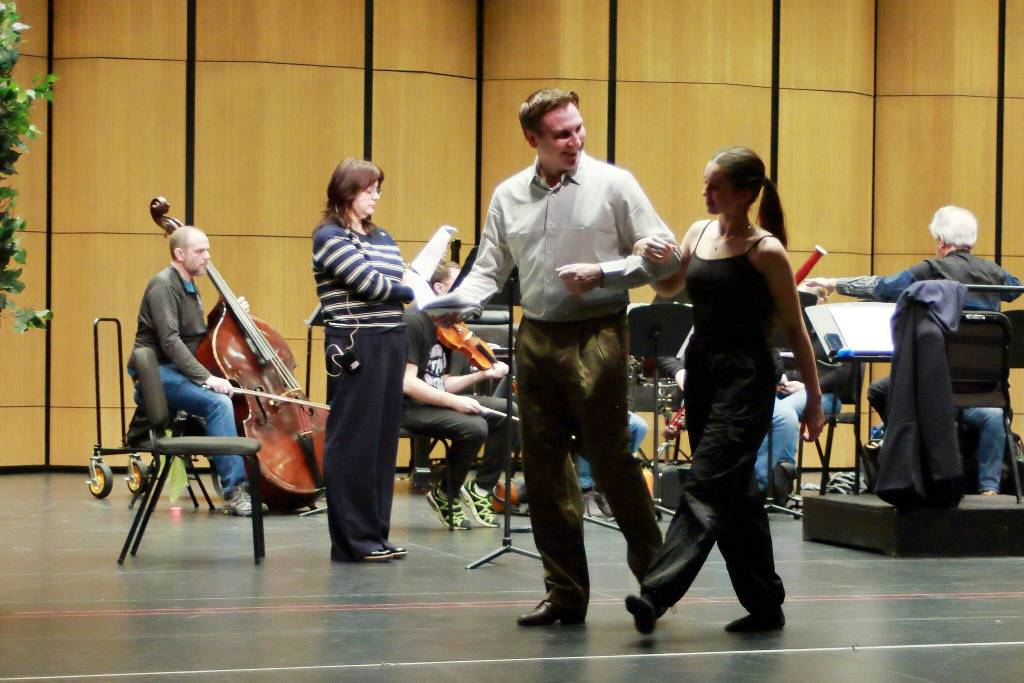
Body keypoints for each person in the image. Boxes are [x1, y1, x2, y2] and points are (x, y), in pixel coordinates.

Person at [445, 88, 676, 627]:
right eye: (562, 134)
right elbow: (490, 265)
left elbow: (661, 254)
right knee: (545, 472)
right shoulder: (507, 194)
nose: (576, 140)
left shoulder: (614, 185)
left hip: (599, 332)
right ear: (534, 140)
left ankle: (657, 583)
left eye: (578, 128)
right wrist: (461, 301)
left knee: (613, 463)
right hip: (538, 335)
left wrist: (606, 272)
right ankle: (566, 594)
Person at [621, 146, 825, 635]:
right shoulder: (698, 231)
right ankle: (764, 603)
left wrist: (814, 400)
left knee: (708, 482)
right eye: (705, 184)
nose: (705, 193)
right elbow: (669, 287)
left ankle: (657, 593)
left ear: (746, 193)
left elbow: (794, 330)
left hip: (747, 375)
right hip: (705, 372)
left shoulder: (766, 251)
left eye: (716, 186)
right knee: (736, 493)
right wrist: (650, 259)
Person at [806, 205, 1022, 495]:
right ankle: (989, 490)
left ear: (942, 242)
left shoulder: (929, 271)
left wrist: (835, 283)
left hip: (934, 389)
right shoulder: (996, 273)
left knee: (880, 391)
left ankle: (916, 454)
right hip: (984, 390)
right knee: (993, 415)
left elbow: (883, 287)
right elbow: (1015, 288)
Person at [312, 159, 414, 562]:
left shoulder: (381, 235)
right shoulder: (329, 235)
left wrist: (399, 289)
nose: (376, 197)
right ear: (348, 191)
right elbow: (371, 285)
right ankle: (352, 540)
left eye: (378, 190)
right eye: (370, 189)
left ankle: (375, 534)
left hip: (391, 338)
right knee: (353, 441)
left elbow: (395, 276)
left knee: (382, 442)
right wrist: (404, 293)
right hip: (356, 342)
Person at [131, 225, 254, 516]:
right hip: (158, 374)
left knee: (226, 398)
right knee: (218, 402)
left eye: (208, 250)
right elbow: (171, 342)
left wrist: (230, 312)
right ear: (179, 253)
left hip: (179, 370)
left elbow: (198, 336)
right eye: (200, 251)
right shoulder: (163, 285)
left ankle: (244, 483)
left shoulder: (189, 286)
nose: (207, 257)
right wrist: (208, 378)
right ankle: (234, 491)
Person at [402, 260, 519, 529]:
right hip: (409, 407)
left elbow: (441, 382)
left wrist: (482, 375)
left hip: (434, 401)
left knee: (509, 412)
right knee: (475, 425)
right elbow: (407, 384)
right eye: (458, 287)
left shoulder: (446, 325)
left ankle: (481, 490)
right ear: (439, 288)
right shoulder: (413, 321)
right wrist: (457, 402)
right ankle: (445, 493)